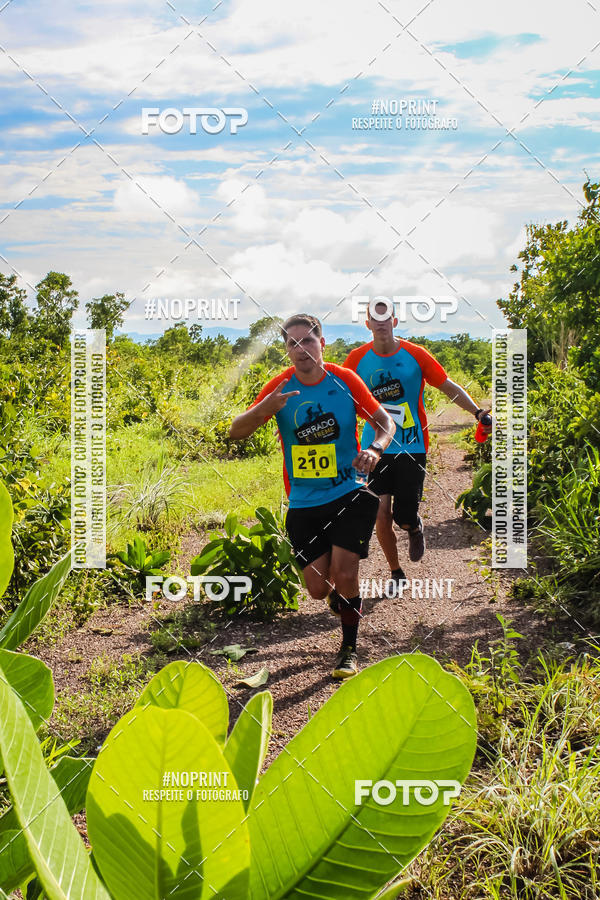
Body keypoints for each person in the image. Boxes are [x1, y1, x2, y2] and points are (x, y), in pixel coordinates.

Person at [229, 313, 395, 678]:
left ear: (322, 343)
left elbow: (385, 422)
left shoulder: (345, 380)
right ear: (286, 350)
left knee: (346, 571)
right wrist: (265, 409)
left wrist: (376, 449)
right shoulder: (280, 387)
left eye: (308, 341)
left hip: (349, 492)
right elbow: (235, 431)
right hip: (303, 502)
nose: (301, 349)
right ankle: (343, 598)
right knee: (319, 589)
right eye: (292, 343)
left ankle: (349, 649)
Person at [343, 300, 492, 590]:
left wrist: (477, 412)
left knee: (403, 515)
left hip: (412, 445)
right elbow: (339, 395)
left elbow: (448, 386)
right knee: (380, 513)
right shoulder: (357, 359)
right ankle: (396, 572)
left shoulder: (415, 354)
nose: (382, 323)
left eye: (387, 318)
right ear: (368, 324)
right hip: (375, 448)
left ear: (395, 322)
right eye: (376, 318)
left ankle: (414, 526)